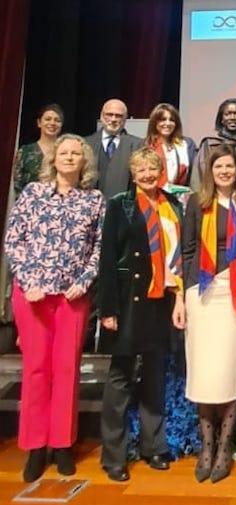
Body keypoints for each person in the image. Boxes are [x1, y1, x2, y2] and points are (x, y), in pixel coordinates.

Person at [3, 134, 105, 482]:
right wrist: (29, 279)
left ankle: (62, 443)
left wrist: (85, 280)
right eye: (64, 152)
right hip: (32, 295)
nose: (69, 157)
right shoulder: (32, 194)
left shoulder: (93, 200)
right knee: (35, 369)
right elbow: (13, 241)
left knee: (66, 369)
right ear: (54, 158)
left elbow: (98, 249)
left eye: (76, 153)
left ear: (84, 161)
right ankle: (34, 446)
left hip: (72, 297)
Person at [98, 147, 184, 482]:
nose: (147, 175)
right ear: (133, 174)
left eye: (152, 169)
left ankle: (153, 447)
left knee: (155, 376)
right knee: (120, 379)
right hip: (127, 302)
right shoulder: (119, 204)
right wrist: (107, 310)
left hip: (161, 301)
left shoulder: (172, 205)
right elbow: (107, 259)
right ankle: (114, 455)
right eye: (141, 170)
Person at [182, 144, 236, 483]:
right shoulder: (196, 204)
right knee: (204, 372)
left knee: (229, 368)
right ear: (210, 172)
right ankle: (207, 446)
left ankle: (225, 447)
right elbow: (187, 252)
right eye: (219, 167)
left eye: (230, 166)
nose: (225, 172)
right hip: (202, 291)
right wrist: (181, 297)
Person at [192, 98, 236, 190]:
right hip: (214, 196)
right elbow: (198, 177)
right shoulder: (210, 144)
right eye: (227, 114)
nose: (232, 117)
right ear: (221, 119)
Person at [85, 98, 143, 199]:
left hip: (123, 208)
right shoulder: (86, 143)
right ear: (101, 116)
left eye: (118, 116)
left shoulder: (138, 145)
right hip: (90, 208)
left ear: (125, 119)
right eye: (109, 114)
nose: (113, 119)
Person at [12, 103, 64, 194]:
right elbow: (18, 185)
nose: (52, 123)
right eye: (48, 119)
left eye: (57, 120)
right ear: (39, 123)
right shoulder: (25, 152)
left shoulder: (66, 152)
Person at [145, 103, 197, 189]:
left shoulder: (187, 144)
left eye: (172, 120)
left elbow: (194, 176)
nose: (167, 123)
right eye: (163, 119)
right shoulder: (146, 145)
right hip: (153, 196)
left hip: (181, 196)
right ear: (154, 122)